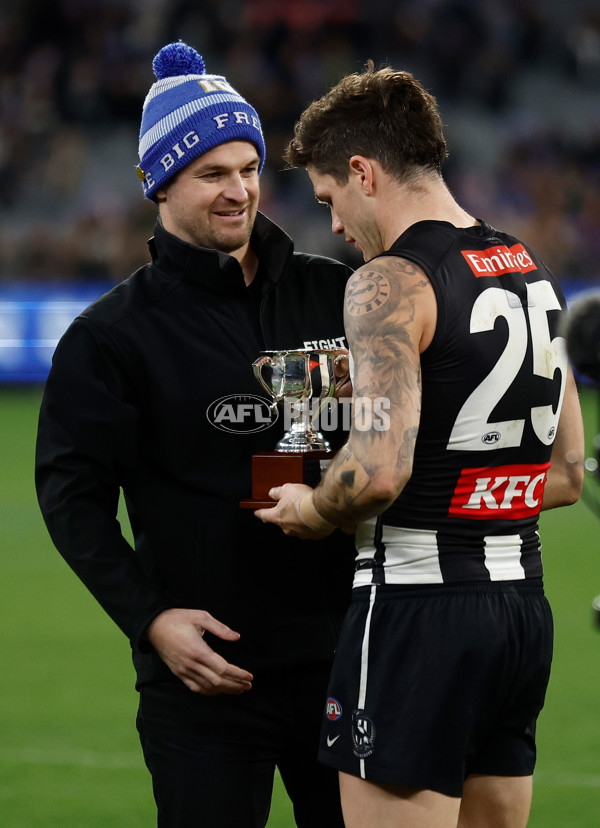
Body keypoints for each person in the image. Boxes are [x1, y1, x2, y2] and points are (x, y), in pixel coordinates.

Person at [35, 41, 356, 828]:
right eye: (213, 173)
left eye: (248, 168)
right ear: (159, 183)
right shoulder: (110, 336)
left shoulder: (340, 293)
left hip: (347, 659)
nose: (240, 190)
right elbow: (72, 497)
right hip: (204, 676)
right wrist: (151, 619)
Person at [256, 61, 585, 828]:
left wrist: (310, 506)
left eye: (332, 198)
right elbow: (567, 471)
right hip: (519, 614)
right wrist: (471, 491)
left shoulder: (388, 283)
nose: (334, 225)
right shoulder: (531, 270)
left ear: (364, 172)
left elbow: (374, 474)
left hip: (414, 616)